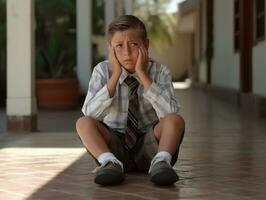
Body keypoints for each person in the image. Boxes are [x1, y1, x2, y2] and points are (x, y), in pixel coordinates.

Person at [76, 15, 185, 186]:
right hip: (115, 145)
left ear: (146, 45)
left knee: (175, 120)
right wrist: (115, 76)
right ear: (110, 48)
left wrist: (142, 74)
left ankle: (161, 162)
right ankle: (109, 163)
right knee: (83, 123)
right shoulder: (102, 70)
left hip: (150, 145)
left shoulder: (159, 71)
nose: (126, 53)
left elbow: (169, 111)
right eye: (119, 46)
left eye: (133, 44)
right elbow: (90, 113)